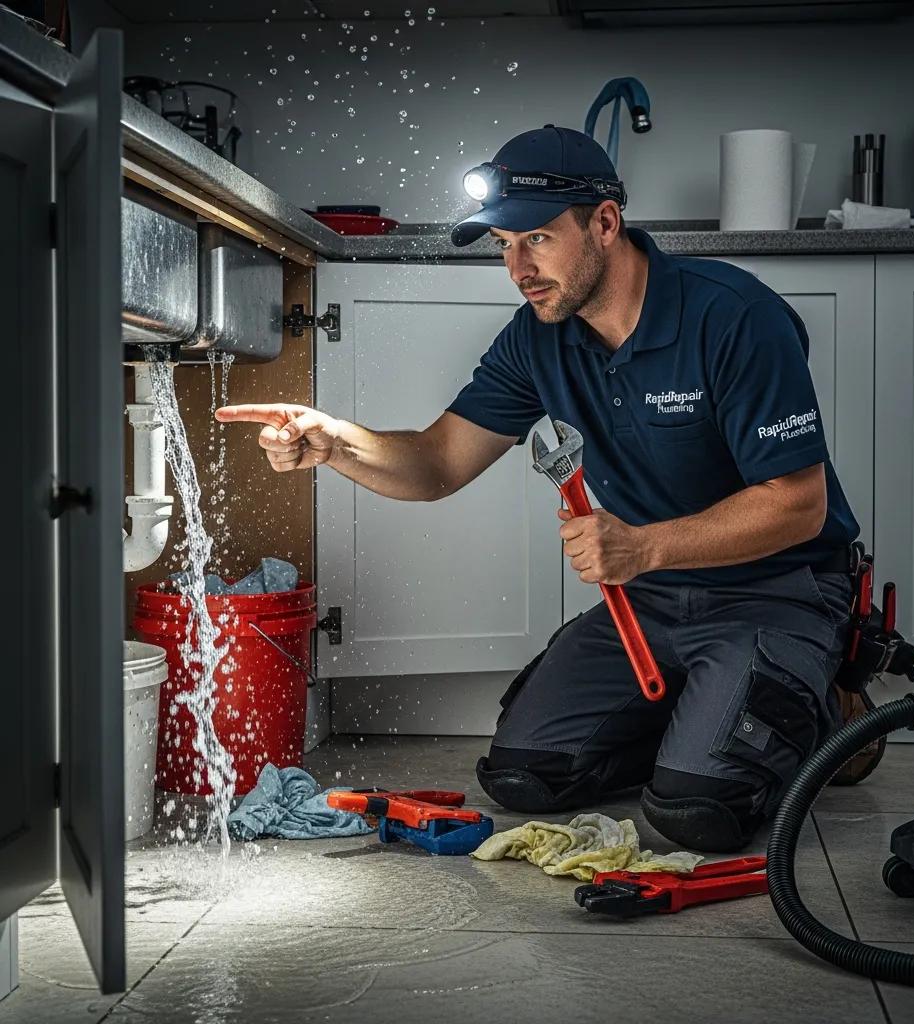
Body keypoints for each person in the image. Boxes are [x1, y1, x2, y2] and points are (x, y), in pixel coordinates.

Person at [217, 125, 859, 853]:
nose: (518, 268)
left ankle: (819, 707)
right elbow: (437, 462)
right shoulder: (537, 338)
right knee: (524, 775)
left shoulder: (734, 316)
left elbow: (797, 503)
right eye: (503, 245)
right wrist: (336, 442)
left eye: (538, 239)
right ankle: (707, 713)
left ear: (605, 223)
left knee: (698, 812)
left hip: (773, 590)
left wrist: (642, 547)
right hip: (650, 601)